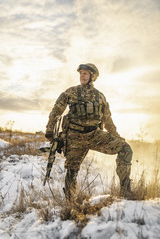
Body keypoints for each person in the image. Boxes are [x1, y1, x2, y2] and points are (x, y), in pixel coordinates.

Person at [45, 63, 133, 201]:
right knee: (72, 171)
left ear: (93, 76)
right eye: (81, 73)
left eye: (85, 73)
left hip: (94, 135)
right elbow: (56, 111)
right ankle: (70, 201)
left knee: (126, 149)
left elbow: (107, 120)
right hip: (75, 137)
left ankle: (126, 191)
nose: (82, 75)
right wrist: (49, 130)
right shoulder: (70, 92)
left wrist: (116, 136)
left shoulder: (100, 96)